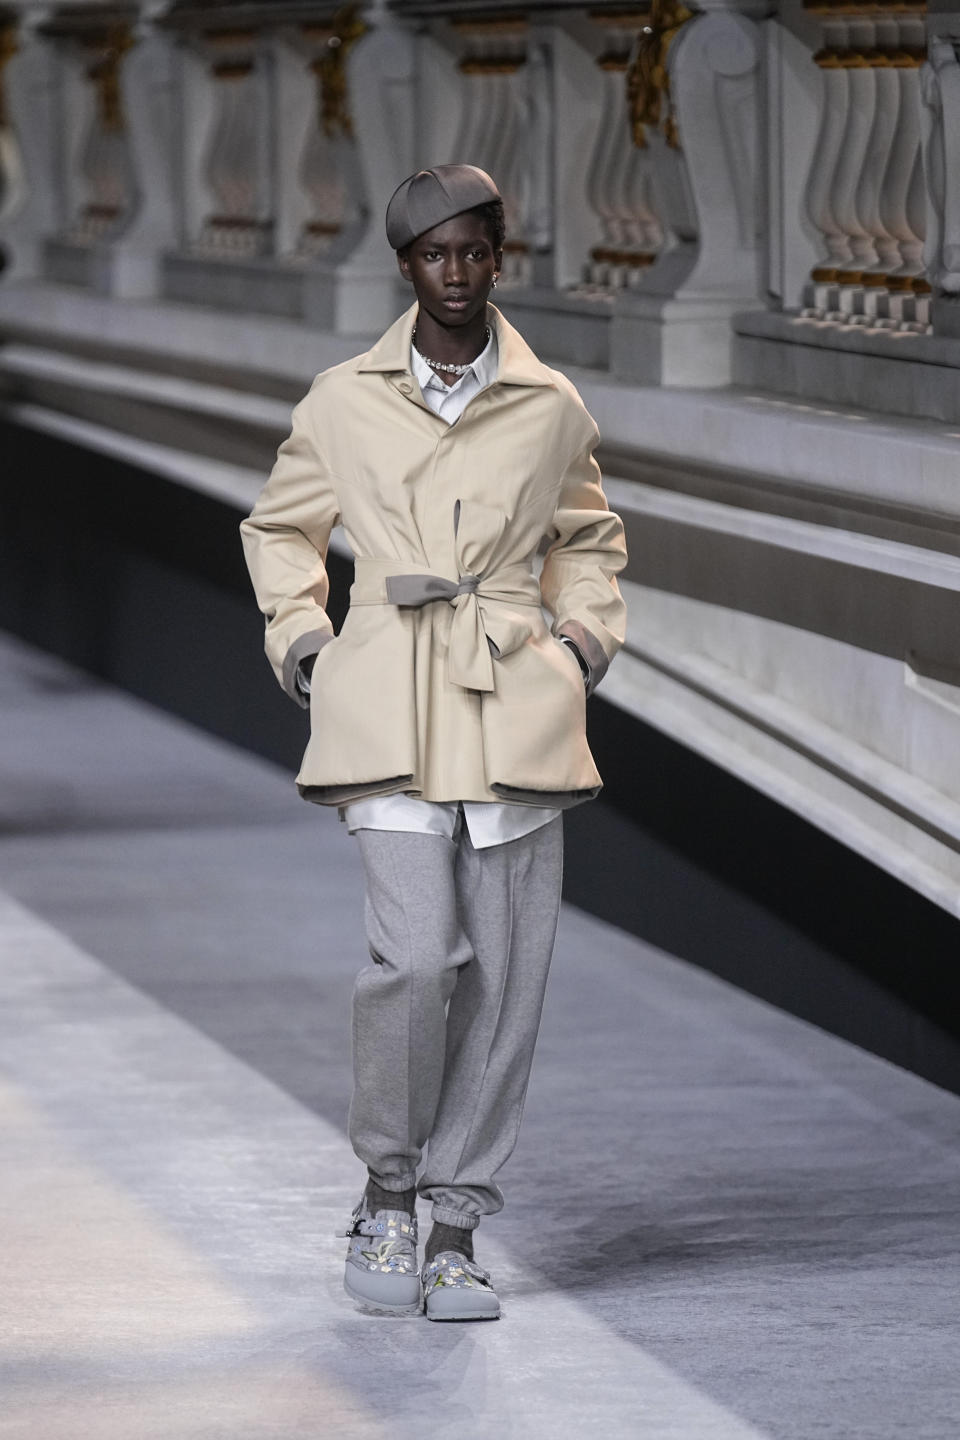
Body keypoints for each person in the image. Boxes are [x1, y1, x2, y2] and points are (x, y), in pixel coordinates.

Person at [241, 165, 627, 1322]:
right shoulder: (343, 398)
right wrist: (307, 644)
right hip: (389, 697)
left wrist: (579, 646)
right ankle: (386, 1188)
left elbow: (591, 537)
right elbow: (281, 526)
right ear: (404, 266)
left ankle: (456, 1223)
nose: (455, 274)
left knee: (508, 982)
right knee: (415, 963)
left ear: (499, 259)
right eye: (432, 255)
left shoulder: (549, 402)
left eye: (474, 253)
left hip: (512, 701)